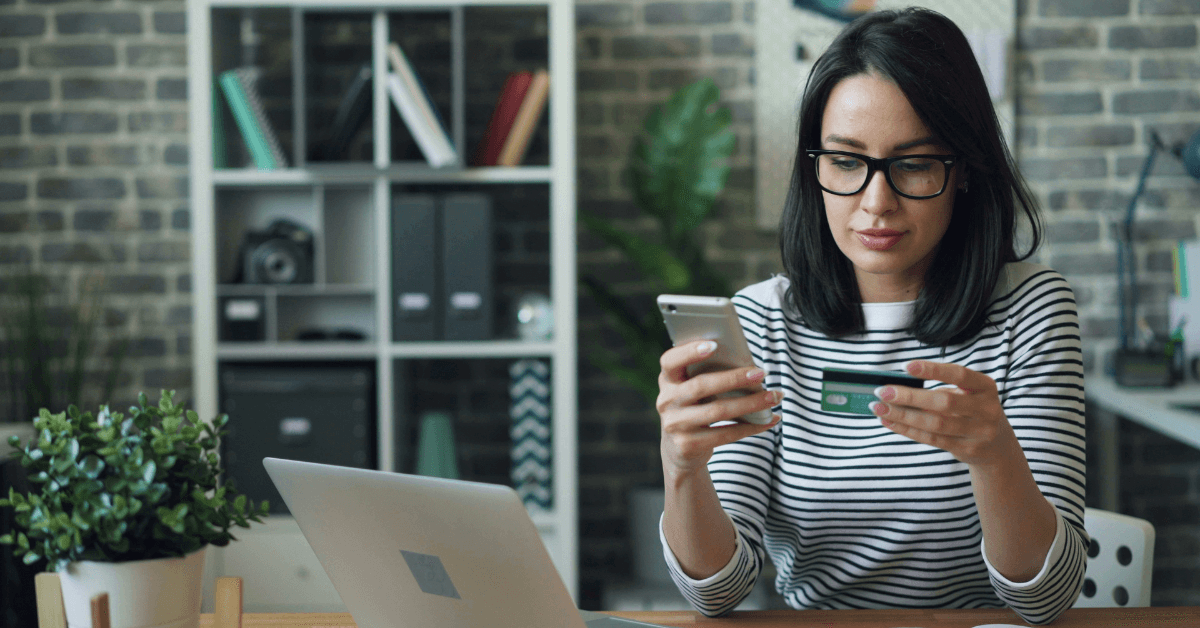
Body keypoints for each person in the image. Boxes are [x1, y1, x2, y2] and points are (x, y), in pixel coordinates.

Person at [654, 8, 1086, 625]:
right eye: (847, 162)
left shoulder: (1032, 310)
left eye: (913, 164)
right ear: (814, 168)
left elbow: (1047, 599)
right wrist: (682, 466)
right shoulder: (761, 322)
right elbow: (714, 596)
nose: (875, 203)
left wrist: (995, 458)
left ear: (961, 170)